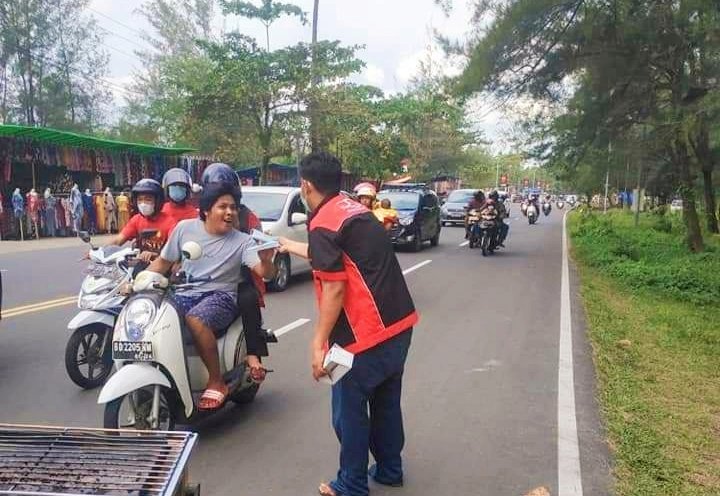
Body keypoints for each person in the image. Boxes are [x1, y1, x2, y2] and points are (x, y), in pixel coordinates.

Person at [279, 152, 417, 496]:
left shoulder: (322, 221)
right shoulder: (353, 209)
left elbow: (335, 286)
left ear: (306, 185)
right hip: (399, 324)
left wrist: (318, 344)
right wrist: (285, 245)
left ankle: (351, 485)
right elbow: (332, 252)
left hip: (361, 337)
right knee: (386, 400)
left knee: (348, 411)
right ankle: (389, 469)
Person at [141, 182, 276, 410]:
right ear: (206, 210)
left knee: (196, 319)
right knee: (153, 315)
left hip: (221, 296)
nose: (229, 212)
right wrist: (139, 281)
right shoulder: (184, 229)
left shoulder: (243, 241)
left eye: (233, 208)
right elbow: (163, 262)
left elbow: (266, 274)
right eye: (222, 206)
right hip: (185, 292)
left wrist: (265, 259)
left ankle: (216, 381)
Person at [104, 179, 176, 262]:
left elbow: (174, 250)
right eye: (140, 200)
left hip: (163, 266)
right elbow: (118, 240)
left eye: (148, 199)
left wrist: (155, 254)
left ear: (158, 201)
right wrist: (102, 251)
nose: (143, 203)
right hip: (139, 264)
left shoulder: (170, 222)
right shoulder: (136, 219)